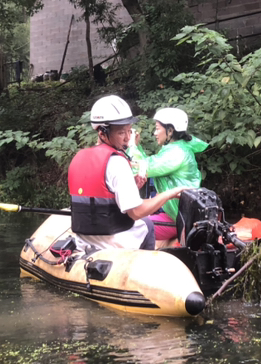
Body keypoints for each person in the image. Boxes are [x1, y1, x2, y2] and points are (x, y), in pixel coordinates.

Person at [68, 95, 187, 251]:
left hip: (84, 242)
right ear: (102, 133)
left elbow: (97, 200)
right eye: (121, 133)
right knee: (147, 224)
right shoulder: (117, 162)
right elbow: (136, 212)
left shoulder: (78, 157)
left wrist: (132, 186)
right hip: (115, 242)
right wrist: (169, 194)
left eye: (129, 131)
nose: (128, 138)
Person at [130, 108, 208, 241]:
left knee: (128, 228)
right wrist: (136, 147)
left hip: (176, 218)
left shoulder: (177, 153)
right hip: (172, 214)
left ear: (170, 131)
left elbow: (140, 169)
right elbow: (148, 163)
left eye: (157, 128)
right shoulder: (176, 149)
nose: (155, 133)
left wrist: (131, 145)